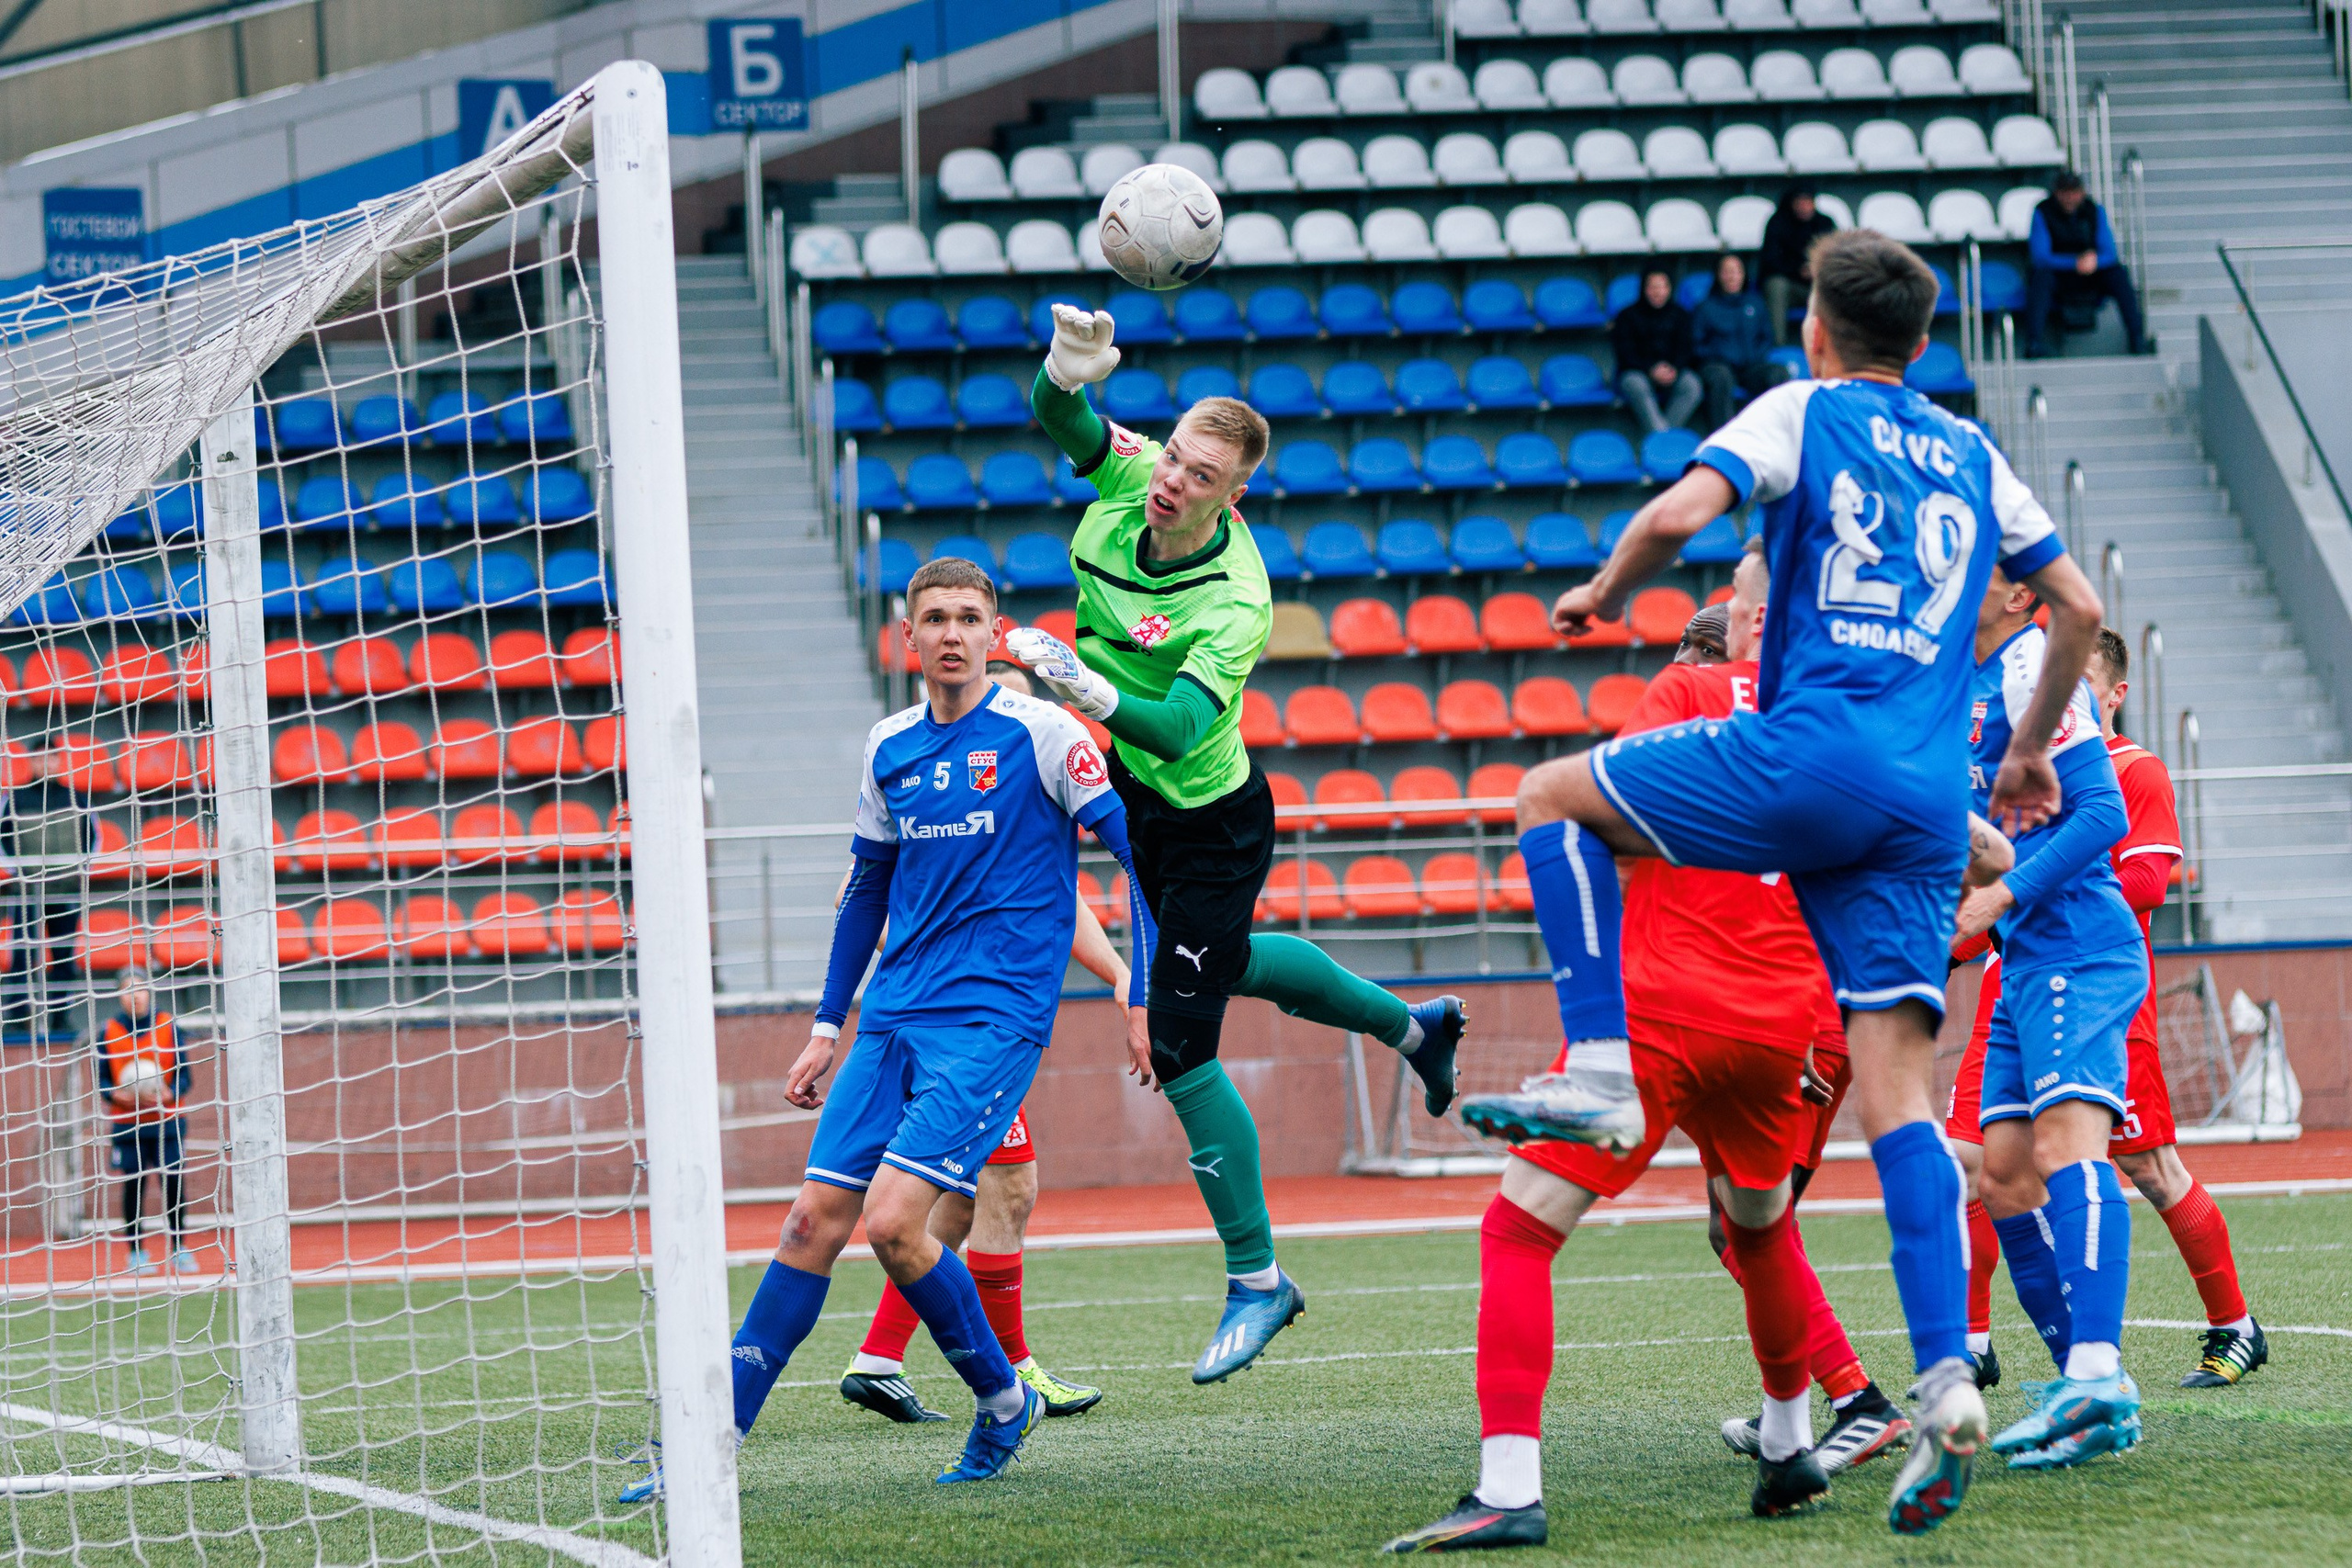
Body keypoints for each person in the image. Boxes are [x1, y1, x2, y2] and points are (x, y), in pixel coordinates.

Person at [1450, 228, 2104, 1537]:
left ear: (1815, 324)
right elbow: (2075, 610)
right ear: (1923, 344)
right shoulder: (1974, 453)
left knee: (1548, 800)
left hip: (1804, 753)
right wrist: (2023, 755)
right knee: (1902, 1100)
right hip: (1926, 796)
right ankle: (1937, 1383)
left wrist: (1600, 587)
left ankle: (1592, 1056)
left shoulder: (1804, 406)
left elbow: (1677, 512)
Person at [1382, 543, 1907, 1554]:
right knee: (1758, 1232)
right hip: (1795, 1027)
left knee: (1518, 1231)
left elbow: (1600, 812)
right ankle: (1793, 1444)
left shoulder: (1694, 683)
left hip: (1668, 1007)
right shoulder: (1862, 725)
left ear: (1754, 623)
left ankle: (1508, 1488)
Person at [620, 558, 1156, 1502]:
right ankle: (704, 1458)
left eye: (969, 618)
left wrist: (1143, 991)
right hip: (893, 1016)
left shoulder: (1045, 735)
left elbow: (1136, 856)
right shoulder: (888, 747)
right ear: (907, 637)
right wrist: (827, 1026)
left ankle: (999, 1401)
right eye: (935, 619)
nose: (952, 633)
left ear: (995, 635)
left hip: (992, 1023)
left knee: (895, 1223)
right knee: (806, 1224)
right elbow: (866, 889)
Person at [1003, 310, 1467, 1384]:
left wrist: (1078, 683)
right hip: (1137, 793)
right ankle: (1415, 1027)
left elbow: (1173, 730)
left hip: (1209, 819)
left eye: (1199, 474)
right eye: (1171, 455)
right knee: (1225, 963)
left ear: (1232, 494)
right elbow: (1061, 418)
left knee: (1179, 1044)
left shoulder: (1236, 600)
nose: (1172, 480)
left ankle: (1259, 1279)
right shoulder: (1130, 482)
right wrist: (1063, 373)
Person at [1948, 629, 2267, 1394]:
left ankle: (2234, 1324)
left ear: (2113, 694)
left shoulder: (2134, 770)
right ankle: (1973, 1341)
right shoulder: (2008, 772)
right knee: (1981, 1162)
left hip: (2098, 983)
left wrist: (2015, 895)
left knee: (2146, 1167)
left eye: (2075, 683)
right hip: (2013, 981)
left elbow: (2148, 882)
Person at [842, 660, 1130, 1425]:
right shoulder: (922, 772)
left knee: (957, 1200)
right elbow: (869, 888)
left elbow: (1057, 901)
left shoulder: (1021, 781)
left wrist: (1118, 971)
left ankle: (877, 1356)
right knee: (1001, 1187)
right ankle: (1014, 1374)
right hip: (953, 1025)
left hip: (963, 1019)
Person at [1947, 570, 2148, 1470]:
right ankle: (2084, 1391)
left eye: (1988, 565)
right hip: (2026, 957)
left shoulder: (2035, 667)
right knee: (2001, 1179)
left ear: (2023, 598)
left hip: (2074, 946)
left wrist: (2000, 897)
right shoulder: (1965, 675)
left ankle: (2098, 1374)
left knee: (2070, 1153)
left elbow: (2101, 812)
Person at [93, 967, 195, 1276]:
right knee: (133, 1186)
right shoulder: (107, 1032)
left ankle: (180, 1248)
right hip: (128, 1124)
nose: (134, 995)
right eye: (127, 989)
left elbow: (186, 1076)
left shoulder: (168, 1026)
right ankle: (136, 1252)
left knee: (173, 1183)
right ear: (119, 995)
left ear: (149, 993)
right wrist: (116, 1097)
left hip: (167, 1122)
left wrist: (169, 1092)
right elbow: (103, 1083)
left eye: (139, 988)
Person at [7, 739, 94, 1041]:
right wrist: (18, 871)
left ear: (59, 761)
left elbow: (92, 838)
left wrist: (80, 869)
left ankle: (59, 1019)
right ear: (31, 761)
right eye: (40, 757)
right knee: (23, 954)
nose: (46, 763)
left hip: (65, 891)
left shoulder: (76, 798)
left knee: (63, 958)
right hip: (27, 892)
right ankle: (18, 1019)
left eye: (52, 757)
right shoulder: (14, 799)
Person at [2025, 171, 2147, 358]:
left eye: (2074, 192)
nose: (2069, 198)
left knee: (2118, 274)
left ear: (2082, 193)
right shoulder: (2043, 211)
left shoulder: (2093, 210)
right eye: (2064, 192)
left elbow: (2109, 252)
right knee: (2040, 278)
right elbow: (2041, 256)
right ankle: (2034, 343)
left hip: (2090, 275)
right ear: (2056, 193)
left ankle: (2137, 338)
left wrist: (2094, 261)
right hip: (2059, 276)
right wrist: (2074, 263)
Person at [1692, 254, 1789, 431]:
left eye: (1737, 272)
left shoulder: (1755, 304)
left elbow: (1766, 338)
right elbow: (1697, 344)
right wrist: (1720, 355)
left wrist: (1754, 356)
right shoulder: (1705, 307)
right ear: (1718, 275)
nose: (1732, 277)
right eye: (1727, 272)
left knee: (1778, 373)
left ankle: (1774, 433)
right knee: (1720, 377)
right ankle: (1724, 438)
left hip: (1751, 366)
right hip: (1719, 366)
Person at [1611, 268, 1700, 434]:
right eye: (1653, 287)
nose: (1658, 292)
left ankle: (1661, 440)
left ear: (1670, 288)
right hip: (1637, 372)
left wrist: (1674, 368)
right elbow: (1625, 353)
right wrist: (1651, 369)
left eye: (1663, 287)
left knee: (1692, 385)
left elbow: (1686, 349)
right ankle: (1662, 439)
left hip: (1672, 372)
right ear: (1644, 289)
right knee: (1636, 384)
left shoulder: (1680, 315)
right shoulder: (1627, 316)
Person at [1756, 187, 1836, 347]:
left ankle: (1833, 346)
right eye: (1800, 202)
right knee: (1776, 285)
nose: (1804, 207)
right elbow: (1770, 261)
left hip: (1817, 285)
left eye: (1808, 202)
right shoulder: (1777, 223)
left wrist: (1816, 269)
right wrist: (1798, 271)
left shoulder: (1825, 223)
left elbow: (1835, 257)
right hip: (1789, 286)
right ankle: (1778, 345)